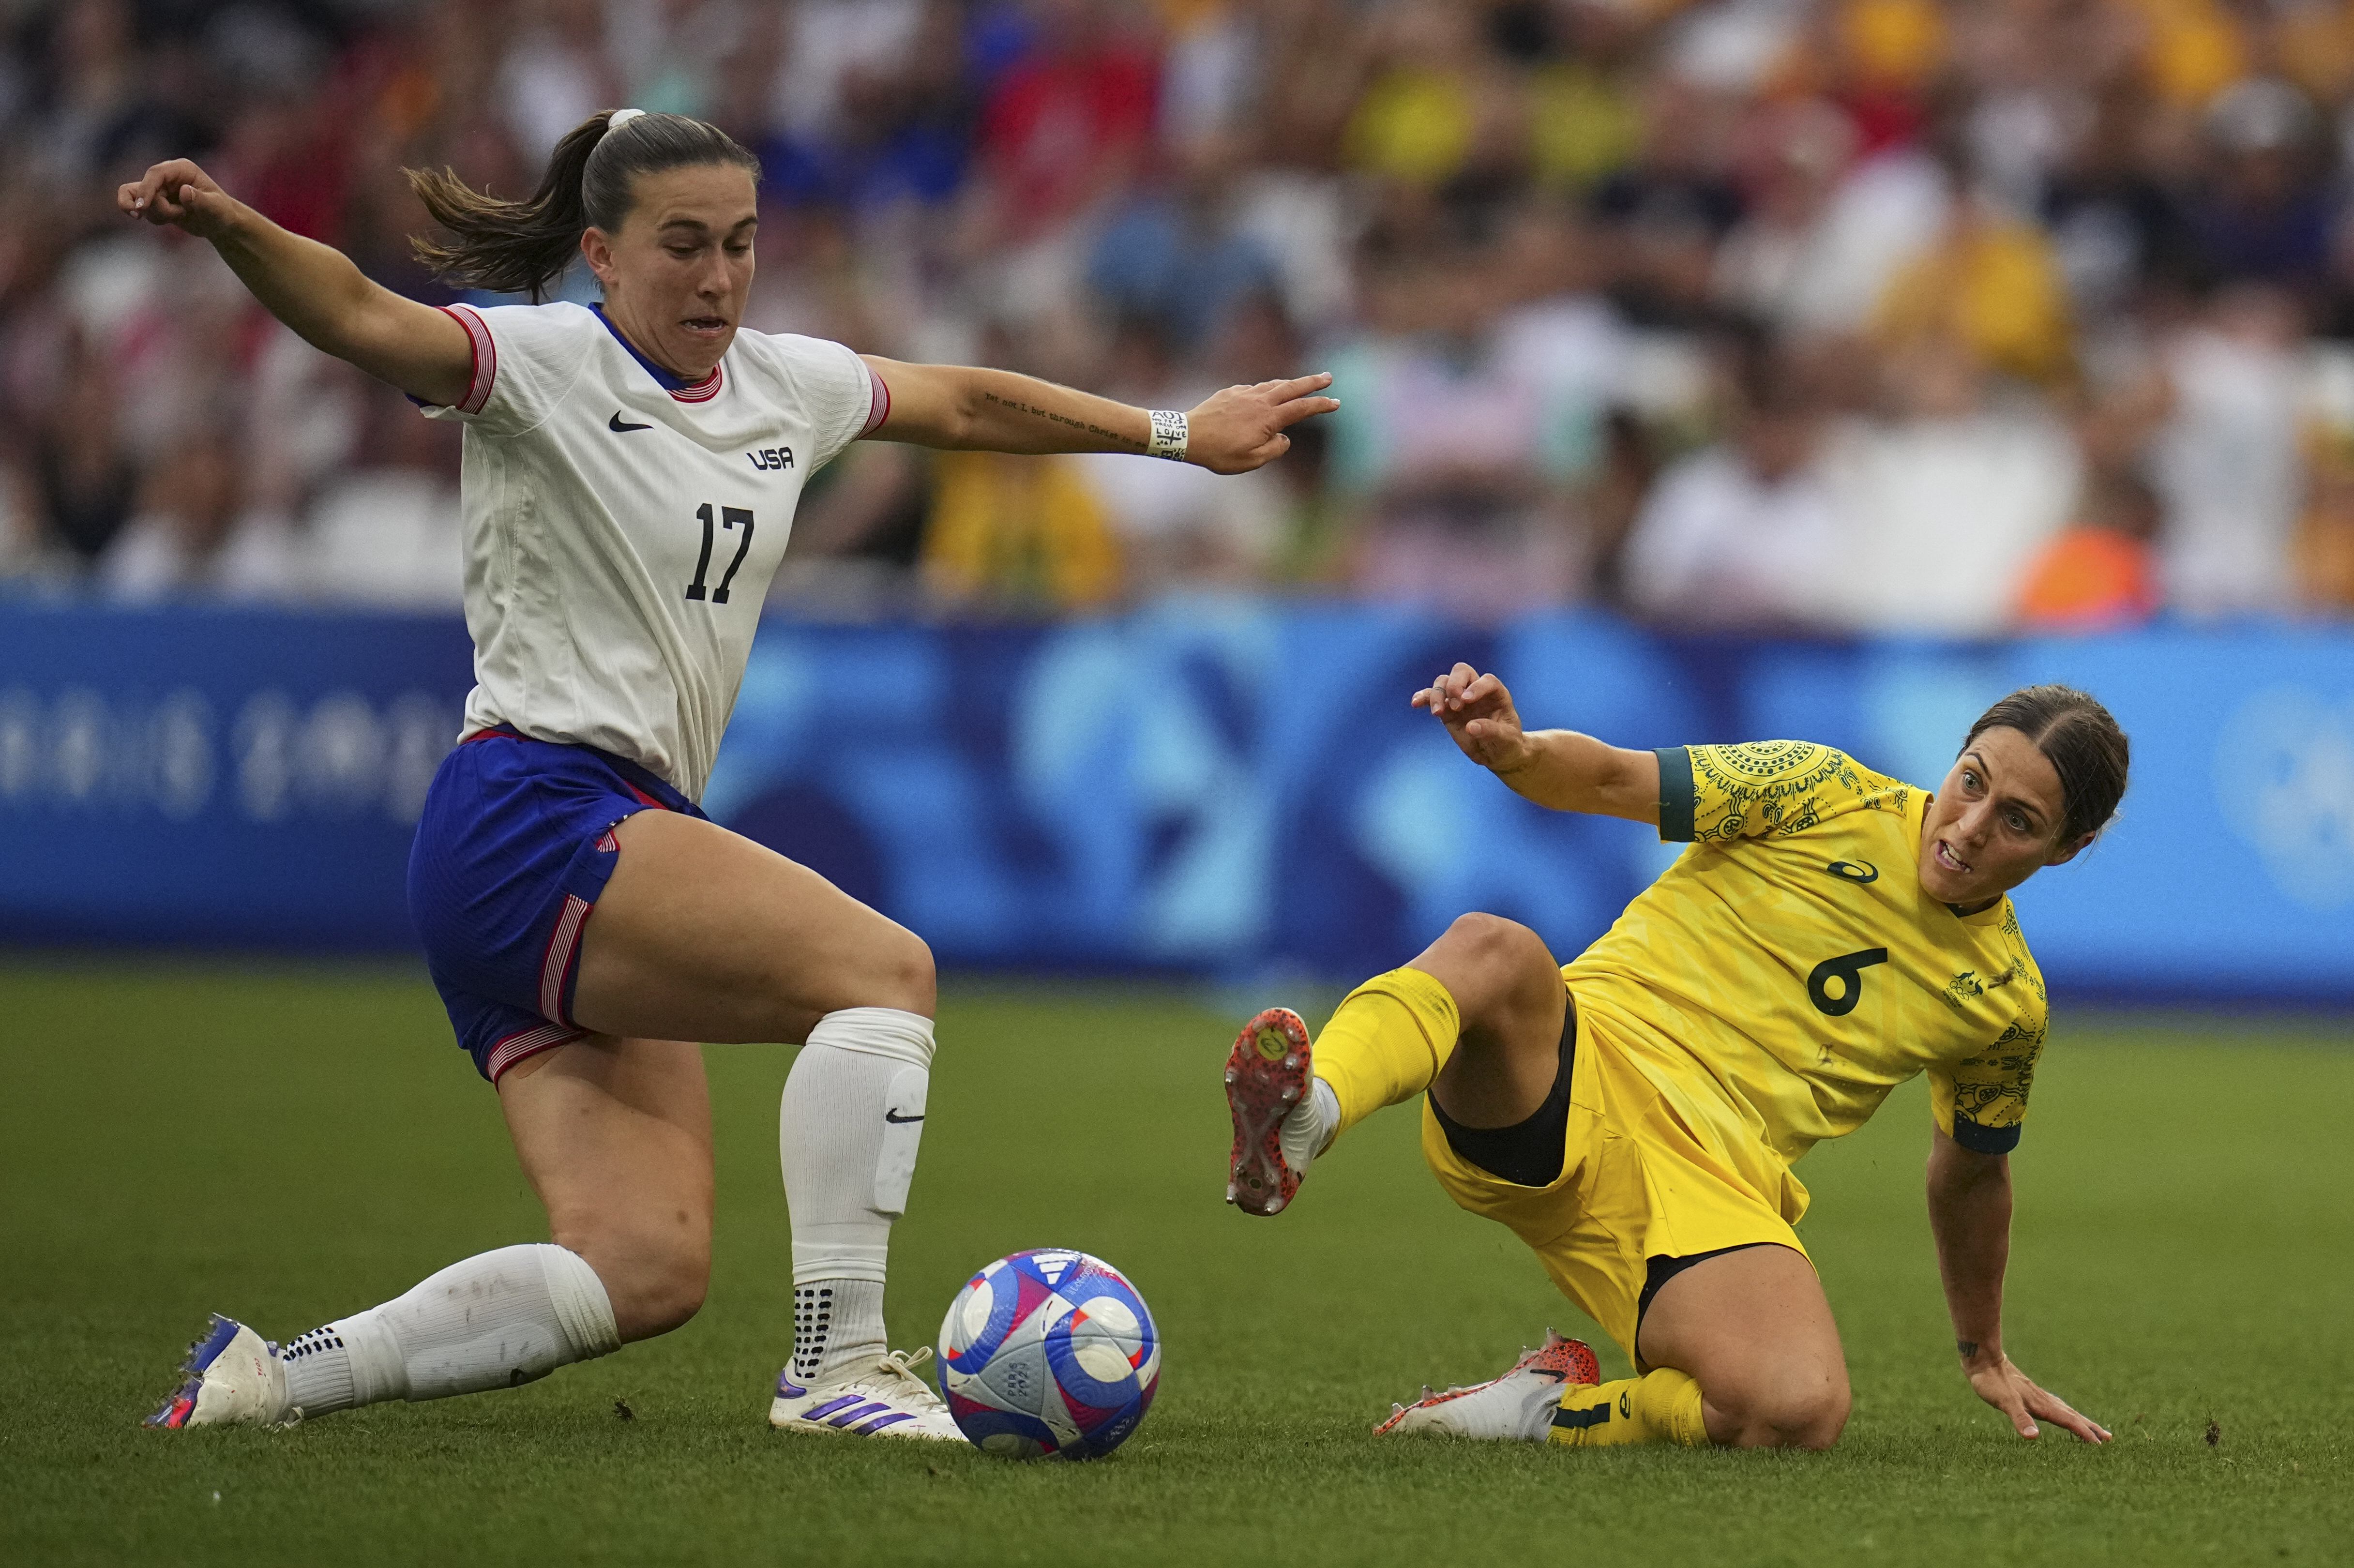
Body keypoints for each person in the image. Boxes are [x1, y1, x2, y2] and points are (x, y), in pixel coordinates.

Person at [130, 108, 1336, 1437]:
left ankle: (271, 1380)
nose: (717, 277)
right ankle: (837, 1365)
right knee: (883, 973)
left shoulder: (786, 385)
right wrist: (234, 227)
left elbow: (962, 401)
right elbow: (364, 314)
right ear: (600, 253)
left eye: (743, 246)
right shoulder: (539, 364)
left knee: (644, 1268)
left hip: (588, 834)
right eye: (684, 246)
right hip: (534, 809)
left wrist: (1177, 431)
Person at [1223, 664, 2126, 1451]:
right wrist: (1515, 749)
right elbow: (1617, 777)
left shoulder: (2006, 1005)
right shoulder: (1822, 790)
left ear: (2068, 848)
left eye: (2017, 822)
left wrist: (1984, 1352)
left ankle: (1544, 1411)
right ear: (1956, 755)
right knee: (1495, 950)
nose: (1969, 828)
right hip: (1574, 1069)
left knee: (1798, 1411)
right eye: (1970, 782)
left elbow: (1971, 1176)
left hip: (1709, 1189)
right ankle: (1312, 1113)